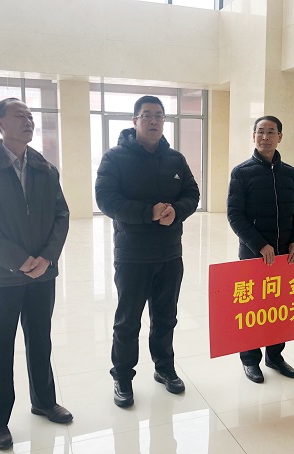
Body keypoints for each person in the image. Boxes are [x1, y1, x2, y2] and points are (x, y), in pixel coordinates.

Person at [0, 98, 72, 450]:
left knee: (40, 339)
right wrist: (18, 260)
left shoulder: (45, 168)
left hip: (42, 273)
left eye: (30, 116)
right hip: (0, 275)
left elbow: (61, 215)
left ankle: (44, 401)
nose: (28, 121)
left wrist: (47, 258)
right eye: (19, 116)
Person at [95, 95, 200, 408]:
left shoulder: (175, 159)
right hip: (132, 254)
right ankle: (122, 376)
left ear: (164, 121)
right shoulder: (115, 157)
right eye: (147, 115)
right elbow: (106, 199)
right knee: (128, 321)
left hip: (170, 253)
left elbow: (192, 193)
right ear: (135, 121)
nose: (153, 121)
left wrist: (176, 211)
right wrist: (148, 213)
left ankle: (164, 367)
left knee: (166, 317)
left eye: (159, 116)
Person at [227, 115, 294, 383]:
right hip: (254, 254)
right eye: (260, 132)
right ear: (253, 136)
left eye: (271, 132)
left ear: (280, 137)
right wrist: (259, 244)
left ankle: (275, 355)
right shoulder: (241, 172)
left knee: (278, 307)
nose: (265, 137)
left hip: (284, 255)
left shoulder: (289, 173)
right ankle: (250, 360)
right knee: (253, 309)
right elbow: (234, 215)